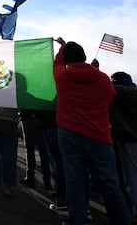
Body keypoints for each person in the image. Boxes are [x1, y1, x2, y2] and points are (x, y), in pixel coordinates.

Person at [53, 37, 130, 224]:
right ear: (85, 56)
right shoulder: (103, 79)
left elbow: (57, 63)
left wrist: (62, 47)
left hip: (70, 134)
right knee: (110, 184)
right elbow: (110, 96)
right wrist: (95, 70)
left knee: (75, 180)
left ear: (67, 60)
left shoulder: (62, 76)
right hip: (99, 136)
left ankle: (77, 219)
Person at [109, 71, 137, 223]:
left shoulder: (123, 92)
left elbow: (108, 88)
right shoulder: (132, 91)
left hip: (130, 140)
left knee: (131, 179)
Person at [19, 109, 52, 190]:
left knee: (30, 151)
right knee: (44, 153)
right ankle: (47, 182)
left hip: (28, 117)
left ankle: (30, 178)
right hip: (42, 118)